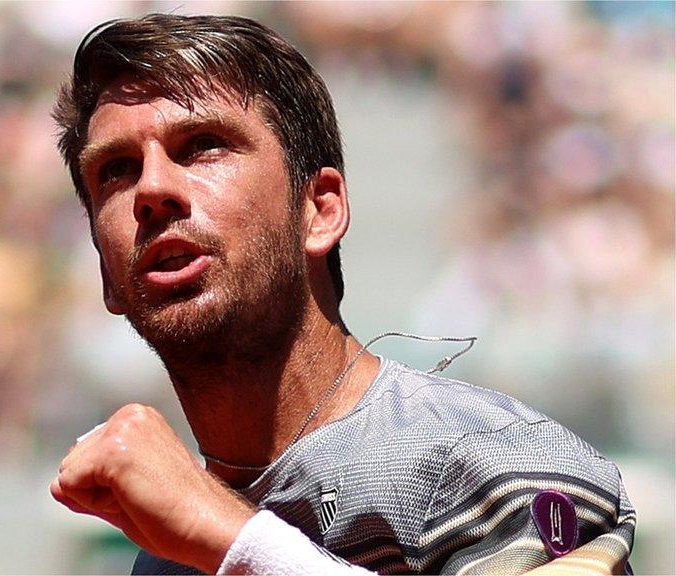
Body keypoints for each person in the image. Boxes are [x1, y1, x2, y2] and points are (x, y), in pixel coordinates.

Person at [49, 14, 636, 575]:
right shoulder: (164, 554)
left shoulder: (497, 471)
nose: (152, 188)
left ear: (320, 210)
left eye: (202, 146)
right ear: (106, 272)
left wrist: (236, 542)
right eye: (117, 170)